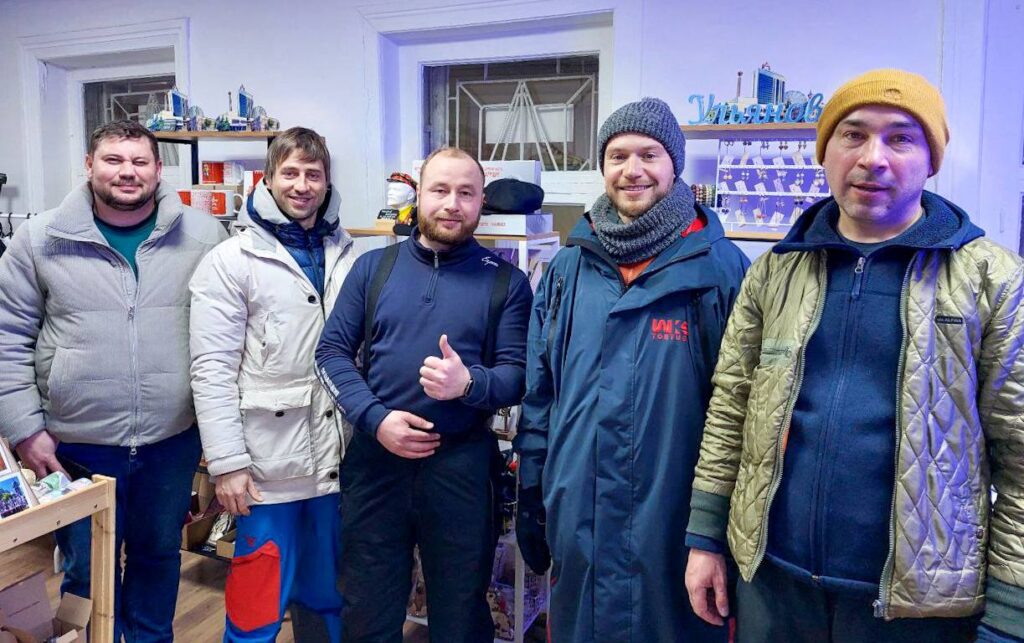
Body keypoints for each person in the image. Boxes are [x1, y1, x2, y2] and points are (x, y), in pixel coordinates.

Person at [684, 69, 1024, 643]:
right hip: (772, 584)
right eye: (853, 135)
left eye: (901, 138)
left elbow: (1019, 452)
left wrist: (1011, 609)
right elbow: (731, 410)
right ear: (825, 151)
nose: (873, 158)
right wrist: (706, 537)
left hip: (917, 608)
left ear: (931, 160)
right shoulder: (775, 270)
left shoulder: (991, 279)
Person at [514, 97, 749, 642]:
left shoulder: (720, 271)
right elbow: (540, 389)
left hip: (676, 521)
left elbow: (743, 412)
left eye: (649, 154)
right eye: (618, 156)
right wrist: (532, 488)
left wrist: (716, 529)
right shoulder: (569, 268)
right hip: (579, 510)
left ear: (675, 165)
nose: (632, 170)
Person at [0, 120, 227, 641]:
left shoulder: (203, 236)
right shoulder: (41, 239)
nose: (128, 172)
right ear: (89, 166)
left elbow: (226, 337)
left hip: (171, 441)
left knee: (158, 558)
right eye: (113, 160)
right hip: (76, 446)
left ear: (157, 169)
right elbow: (7, 338)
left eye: (139, 161)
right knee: (87, 571)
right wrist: (25, 429)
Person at [315, 147, 533, 643]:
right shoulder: (373, 268)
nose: (452, 203)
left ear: (481, 202)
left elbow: (518, 375)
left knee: (461, 614)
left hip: (461, 467)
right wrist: (375, 419)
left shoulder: (506, 281)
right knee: (367, 609)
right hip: (377, 464)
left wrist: (469, 384)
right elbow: (330, 353)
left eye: (466, 193)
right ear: (419, 196)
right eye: (440, 190)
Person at [189, 127, 362, 642]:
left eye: (314, 174)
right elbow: (211, 368)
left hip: (336, 461)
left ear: (327, 182)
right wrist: (227, 463)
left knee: (328, 594)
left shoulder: (348, 254)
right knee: (256, 602)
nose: (302, 185)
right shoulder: (231, 261)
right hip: (268, 468)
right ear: (267, 179)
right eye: (290, 173)